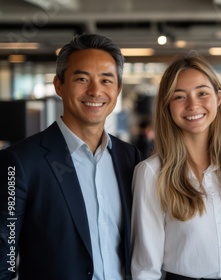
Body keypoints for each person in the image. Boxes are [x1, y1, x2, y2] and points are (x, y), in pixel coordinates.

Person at [0, 33, 143, 280]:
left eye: (106, 80)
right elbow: (3, 259)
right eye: (82, 78)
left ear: (118, 89)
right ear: (59, 85)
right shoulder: (20, 163)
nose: (95, 91)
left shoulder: (131, 159)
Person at [130, 53, 221, 279]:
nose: (193, 105)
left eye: (202, 93)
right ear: (167, 105)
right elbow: (145, 267)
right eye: (179, 97)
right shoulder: (152, 173)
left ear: (218, 98)